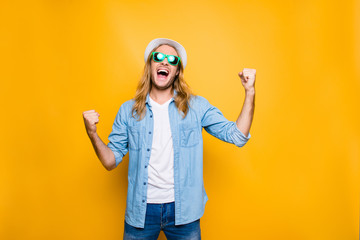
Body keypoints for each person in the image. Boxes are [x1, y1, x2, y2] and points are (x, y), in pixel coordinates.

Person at [82, 38, 256, 240]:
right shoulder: (127, 111)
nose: (165, 62)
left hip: (184, 211)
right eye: (159, 57)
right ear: (150, 65)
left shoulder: (196, 107)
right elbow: (110, 162)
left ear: (177, 71)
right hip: (141, 211)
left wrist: (249, 91)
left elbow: (238, 136)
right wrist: (92, 134)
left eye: (172, 60)